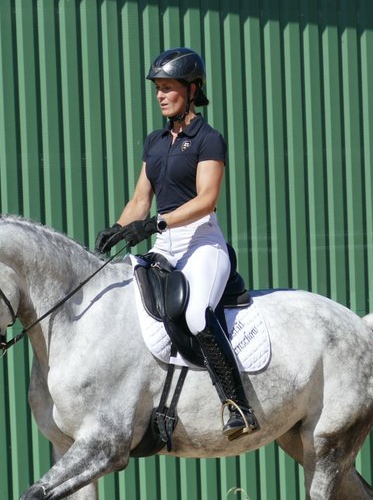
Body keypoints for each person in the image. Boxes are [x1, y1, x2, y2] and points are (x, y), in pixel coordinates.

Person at [95, 47, 259, 440]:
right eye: (158, 89)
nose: (161, 95)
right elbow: (140, 200)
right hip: (166, 244)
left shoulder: (208, 139)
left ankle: (236, 404)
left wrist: (157, 221)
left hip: (202, 244)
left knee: (198, 315)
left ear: (192, 89)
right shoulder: (155, 141)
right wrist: (118, 228)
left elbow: (206, 199)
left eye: (168, 88)